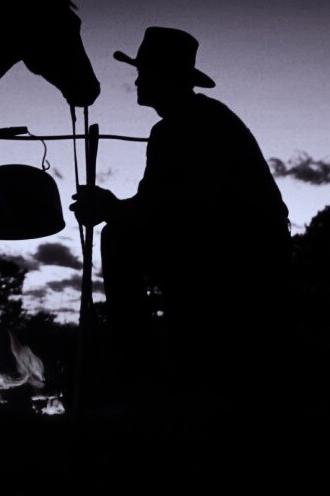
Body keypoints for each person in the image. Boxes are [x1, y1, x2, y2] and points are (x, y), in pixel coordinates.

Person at [70, 26, 291, 403]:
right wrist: (115, 208)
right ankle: (153, 367)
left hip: (241, 252)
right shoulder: (196, 119)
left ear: (163, 77)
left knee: (118, 238)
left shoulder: (185, 126)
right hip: (237, 243)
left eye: (143, 72)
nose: (137, 81)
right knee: (124, 232)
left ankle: (139, 369)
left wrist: (111, 209)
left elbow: (174, 208)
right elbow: (160, 204)